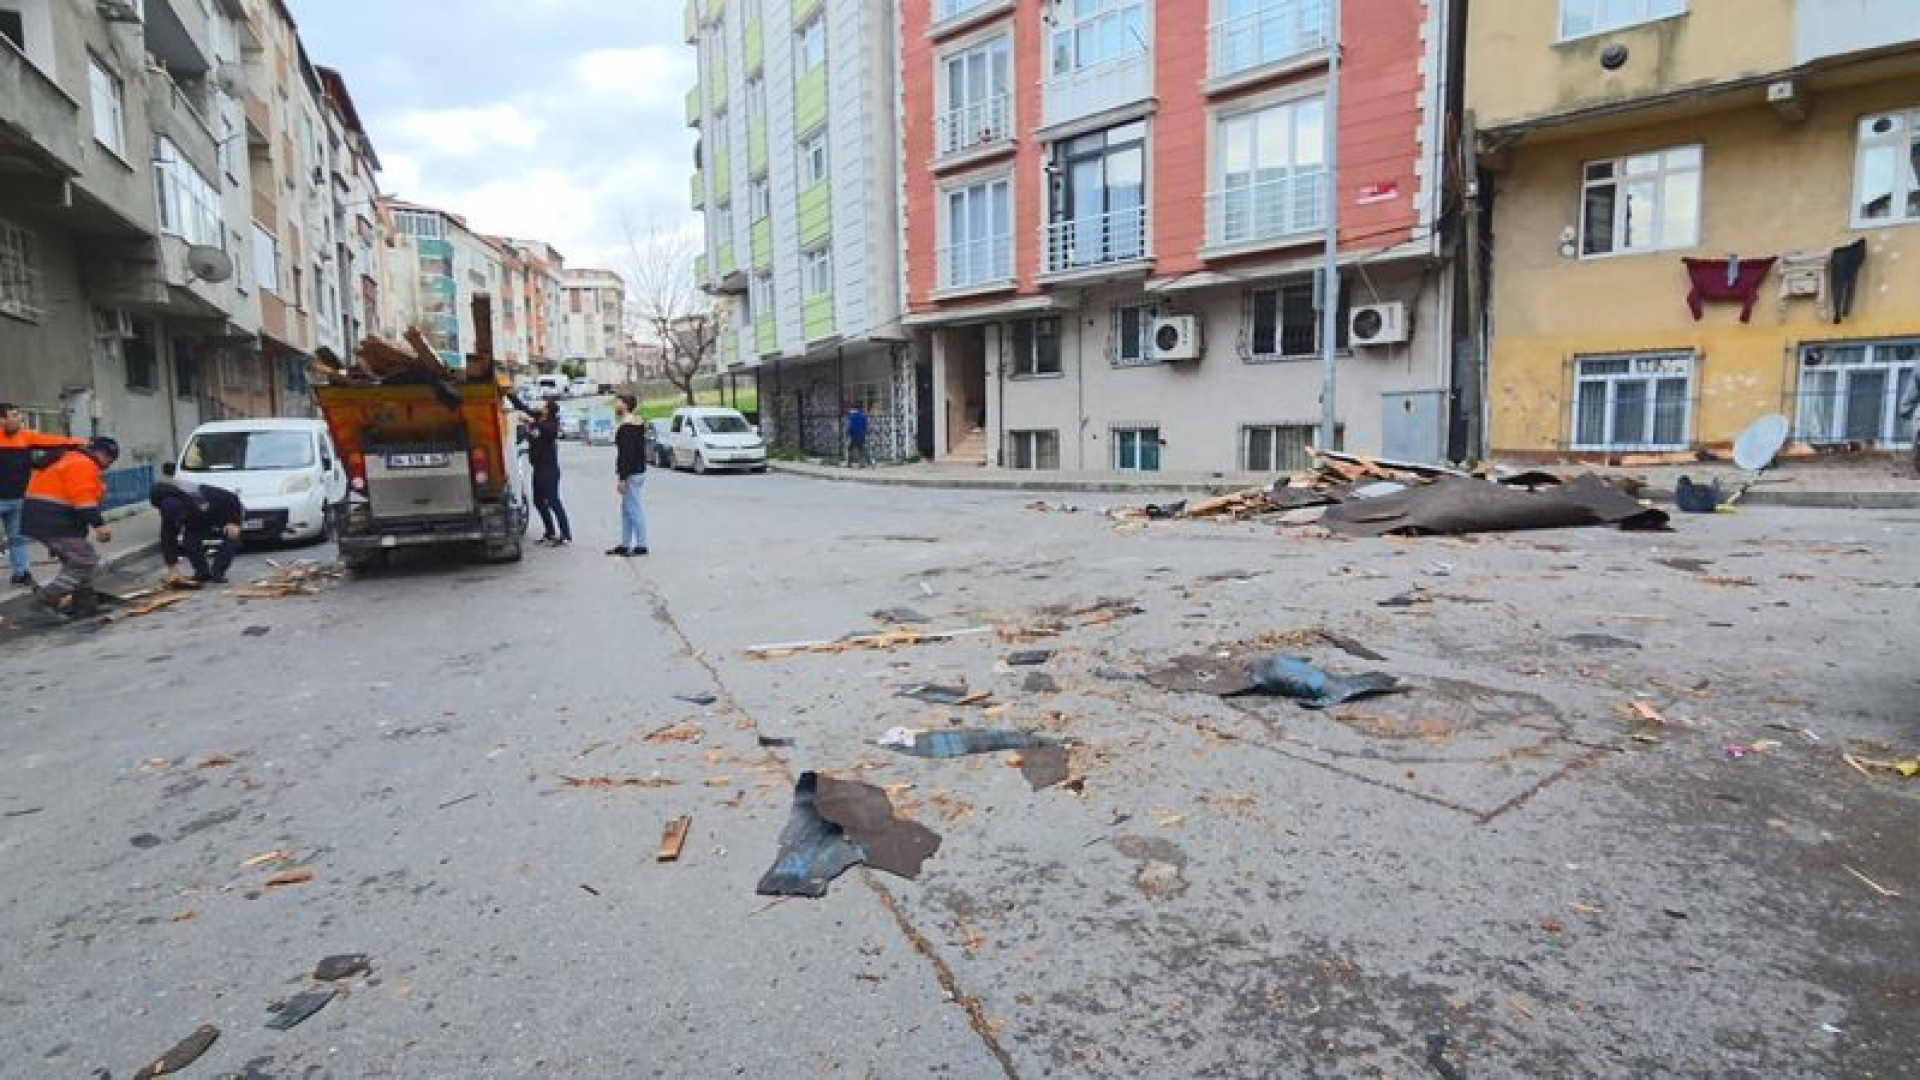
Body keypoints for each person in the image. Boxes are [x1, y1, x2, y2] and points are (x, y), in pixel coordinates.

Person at [24, 436, 118, 618]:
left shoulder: (73, 459)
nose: (108, 466)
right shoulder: (82, 464)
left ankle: (86, 606)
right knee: (84, 560)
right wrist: (100, 526)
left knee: (77, 561)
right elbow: (83, 500)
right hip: (53, 521)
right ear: (101, 454)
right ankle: (43, 600)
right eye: (110, 460)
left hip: (48, 519)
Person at [0, 404, 84, 587]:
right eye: (14, 415)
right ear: (2, 420)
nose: (20, 419)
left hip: (19, 499)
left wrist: (78, 442)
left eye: (19, 415)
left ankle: (21, 573)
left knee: (18, 539)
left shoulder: (26, 436)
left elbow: (53, 441)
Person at [509, 393, 571, 547]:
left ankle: (566, 534)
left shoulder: (551, 424)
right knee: (538, 501)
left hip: (549, 469)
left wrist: (532, 422)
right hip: (537, 468)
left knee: (553, 501)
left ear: (548, 410)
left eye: (543, 406)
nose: (539, 407)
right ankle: (550, 532)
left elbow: (545, 431)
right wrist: (510, 394)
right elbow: (522, 407)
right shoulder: (538, 417)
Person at [608, 393, 650, 557]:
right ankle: (625, 544)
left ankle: (641, 545)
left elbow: (627, 455)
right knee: (626, 510)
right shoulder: (635, 423)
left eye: (618, 403)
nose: (615, 406)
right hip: (637, 470)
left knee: (633, 509)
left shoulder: (627, 427)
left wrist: (622, 478)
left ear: (625, 405)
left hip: (632, 473)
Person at [845, 403, 870, 469]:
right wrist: (865, 433)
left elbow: (849, 426)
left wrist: (847, 434)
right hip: (861, 435)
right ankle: (861, 464)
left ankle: (849, 463)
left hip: (853, 435)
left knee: (850, 449)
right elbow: (865, 426)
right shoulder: (863, 416)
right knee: (861, 449)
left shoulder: (851, 417)